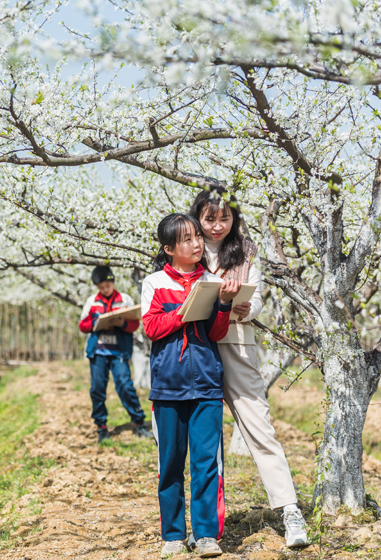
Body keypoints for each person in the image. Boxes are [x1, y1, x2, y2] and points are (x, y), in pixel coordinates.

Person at [189, 187, 309, 548]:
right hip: (196, 348)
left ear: (234, 218)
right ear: (198, 216)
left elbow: (256, 298)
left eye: (224, 218)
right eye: (210, 218)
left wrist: (247, 308)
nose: (217, 226)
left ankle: (289, 509)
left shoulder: (245, 251)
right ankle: (206, 527)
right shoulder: (185, 246)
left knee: (260, 427)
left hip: (236, 346)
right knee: (204, 440)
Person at [142, 213, 239, 559]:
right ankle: (172, 534)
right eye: (186, 239)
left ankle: (206, 534)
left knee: (205, 462)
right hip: (169, 385)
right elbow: (151, 328)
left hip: (207, 385)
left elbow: (215, 333)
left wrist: (224, 303)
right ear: (169, 249)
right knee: (170, 463)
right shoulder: (154, 283)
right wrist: (182, 311)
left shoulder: (212, 281)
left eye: (197, 236)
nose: (197, 243)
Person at [79, 265, 153, 443]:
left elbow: (134, 324)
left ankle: (139, 423)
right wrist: (97, 321)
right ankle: (101, 426)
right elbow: (83, 325)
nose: (105, 289)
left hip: (119, 351)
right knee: (97, 388)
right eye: (102, 287)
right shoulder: (92, 302)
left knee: (125, 385)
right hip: (98, 352)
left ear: (113, 282)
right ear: (97, 287)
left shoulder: (124, 299)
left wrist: (121, 323)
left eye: (108, 285)